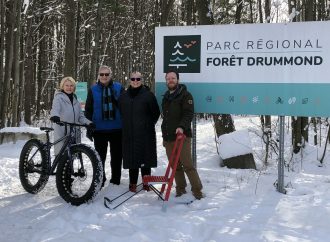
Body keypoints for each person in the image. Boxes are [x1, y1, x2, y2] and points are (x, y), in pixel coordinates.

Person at [161, 70, 204, 200]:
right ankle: (180, 189)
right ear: (166, 81)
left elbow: (188, 113)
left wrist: (181, 126)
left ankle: (197, 191)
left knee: (188, 165)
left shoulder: (186, 95)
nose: (171, 80)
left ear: (178, 80)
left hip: (182, 136)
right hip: (168, 137)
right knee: (175, 165)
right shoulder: (166, 97)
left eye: (173, 78)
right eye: (168, 78)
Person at [119, 71, 160, 192]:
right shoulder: (123, 96)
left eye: (138, 79)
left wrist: (147, 124)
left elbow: (156, 113)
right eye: (133, 79)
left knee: (145, 157)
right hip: (129, 132)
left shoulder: (148, 95)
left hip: (145, 132)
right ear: (129, 80)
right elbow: (121, 112)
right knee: (132, 158)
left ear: (141, 80)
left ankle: (146, 182)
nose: (135, 81)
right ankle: (132, 183)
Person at [85, 65, 123, 187]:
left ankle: (115, 179)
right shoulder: (93, 89)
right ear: (98, 76)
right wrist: (88, 125)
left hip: (117, 128)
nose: (104, 77)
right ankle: (101, 179)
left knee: (116, 157)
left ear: (110, 75)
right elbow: (88, 109)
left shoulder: (119, 87)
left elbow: (126, 106)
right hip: (99, 129)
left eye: (107, 74)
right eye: (102, 74)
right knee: (100, 157)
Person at [50, 76, 93, 156]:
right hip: (62, 130)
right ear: (62, 86)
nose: (69, 88)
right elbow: (55, 109)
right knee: (62, 156)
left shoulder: (75, 100)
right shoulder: (58, 98)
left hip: (74, 131)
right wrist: (55, 116)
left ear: (74, 87)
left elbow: (80, 117)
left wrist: (89, 123)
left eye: (71, 85)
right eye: (67, 85)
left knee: (72, 156)